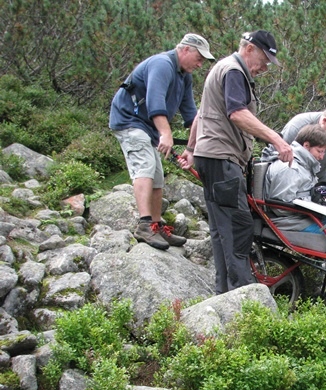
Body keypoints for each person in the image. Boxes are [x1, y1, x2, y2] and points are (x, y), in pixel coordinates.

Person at [179, 30, 293, 294]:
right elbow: (238, 113)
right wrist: (276, 139)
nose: (264, 68)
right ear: (249, 48)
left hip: (211, 158)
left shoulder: (222, 68)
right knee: (238, 225)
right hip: (223, 159)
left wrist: (192, 148)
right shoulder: (234, 71)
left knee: (221, 229)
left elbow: (200, 114)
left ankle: (223, 291)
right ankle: (242, 294)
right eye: (264, 60)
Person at [110, 33, 214, 250]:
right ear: (185, 50)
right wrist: (165, 134)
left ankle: (156, 226)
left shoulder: (184, 77)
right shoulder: (162, 64)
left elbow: (190, 116)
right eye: (199, 57)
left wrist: (194, 147)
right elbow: (154, 100)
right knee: (145, 167)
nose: (200, 63)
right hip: (129, 122)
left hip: (147, 128)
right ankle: (144, 225)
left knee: (158, 175)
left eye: (203, 60)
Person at [263, 124, 326, 307]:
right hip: (290, 223)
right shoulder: (291, 168)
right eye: (319, 151)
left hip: (299, 218)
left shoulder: (302, 164)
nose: (322, 156)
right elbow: (280, 205)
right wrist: (311, 208)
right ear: (306, 145)